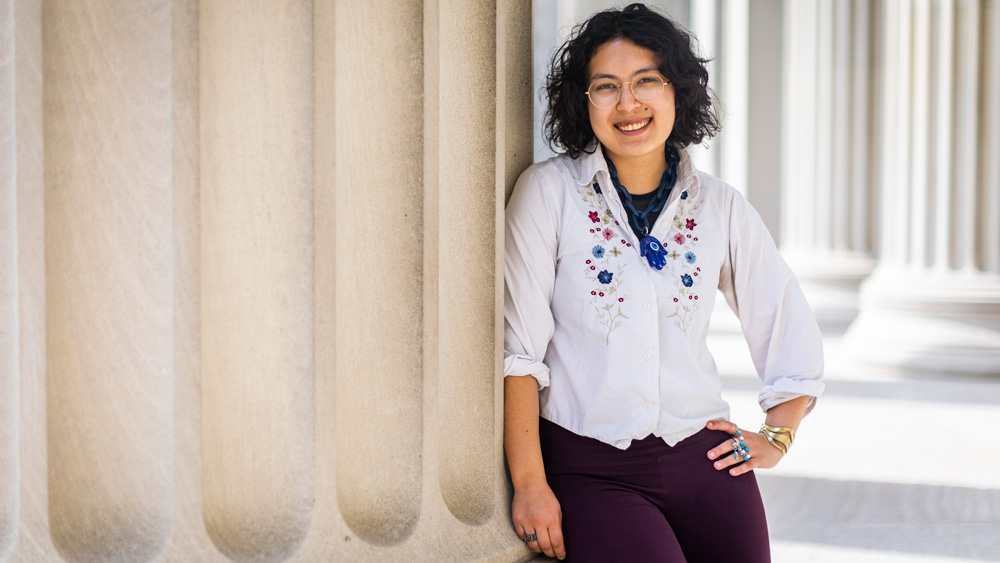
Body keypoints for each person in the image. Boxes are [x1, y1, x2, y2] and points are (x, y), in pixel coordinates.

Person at [503, 4, 824, 562]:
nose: (628, 104)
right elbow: (519, 353)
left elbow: (786, 323)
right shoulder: (548, 194)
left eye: (646, 81)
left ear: (678, 91)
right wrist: (531, 484)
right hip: (592, 468)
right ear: (583, 102)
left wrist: (777, 435)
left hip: (704, 459)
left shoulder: (720, 206)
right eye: (606, 86)